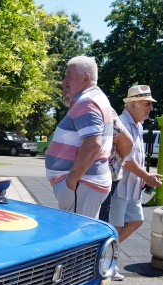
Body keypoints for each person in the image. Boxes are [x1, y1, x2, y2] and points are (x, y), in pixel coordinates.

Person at [45, 56, 114, 218]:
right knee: (83, 232)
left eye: (69, 75)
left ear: (86, 78)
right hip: (84, 184)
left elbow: (93, 144)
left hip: (82, 183)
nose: (64, 80)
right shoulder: (93, 98)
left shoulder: (86, 101)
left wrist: (71, 181)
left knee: (75, 234)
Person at [108, 85, 163, 277]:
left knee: (136, 220)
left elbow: (136, 157)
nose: (150, 108)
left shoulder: (137, 125)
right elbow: (128, 160)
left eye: (150, 104)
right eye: (146, 103)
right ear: (132, 105)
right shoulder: (123, 123)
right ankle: (107, 262)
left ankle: (106, 256)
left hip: (132, 188)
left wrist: (145, 177)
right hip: (120, 187)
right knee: (114, 227)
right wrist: (147, 177)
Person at [98, 108, 134, 224]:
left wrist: (118, 159)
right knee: (101, 212)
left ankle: (100, 241)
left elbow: (127, 143)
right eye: (147, 103)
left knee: (100, 213)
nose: (151, 107)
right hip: (104, 172)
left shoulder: (102, 108)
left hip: (104, 173)